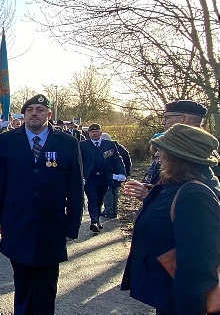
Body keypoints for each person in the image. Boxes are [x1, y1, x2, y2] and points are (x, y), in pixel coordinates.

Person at [0, 94, 84, 315]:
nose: (34, 113)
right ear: (23, 115)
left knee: (46, 285)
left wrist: (72, 226)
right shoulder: (7, 140)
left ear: (49, 115)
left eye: (40, 109)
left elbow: (75, 188)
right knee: (22, 283)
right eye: (30, 109)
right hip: (17, 222)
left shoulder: (67, 143)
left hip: (51, 225)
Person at [121, 124, 220, 314]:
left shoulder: (194, 194)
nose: (157, 155)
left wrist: (187, 309)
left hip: (182, 303)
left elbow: (197, 268)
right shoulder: (174, 187)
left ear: (178, 157)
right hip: (167, 297)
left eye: (162, 150)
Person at [80, 123, 126, 232]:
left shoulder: (109, 145)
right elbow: (79, 162)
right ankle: (94, 221)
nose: (94, 133)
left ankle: (97, 220)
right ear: (89, 133)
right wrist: (80, 175)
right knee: (92, 198)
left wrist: (121, 173)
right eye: (92, 132)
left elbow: (117, 159)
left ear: (101, 133)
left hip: (105, 177)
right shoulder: (82, 145)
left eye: (96, 131)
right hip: (90, 178)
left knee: (100, 199)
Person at [100, 132, 132, 218]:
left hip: (111, 173)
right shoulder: (121, 148)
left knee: (108, 191)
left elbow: (104, 160)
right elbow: (128, 161)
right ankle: (114, 211)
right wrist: (126, 172)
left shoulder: (109, 150)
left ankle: (109, 210)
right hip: (120, 174)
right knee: (114, 192)